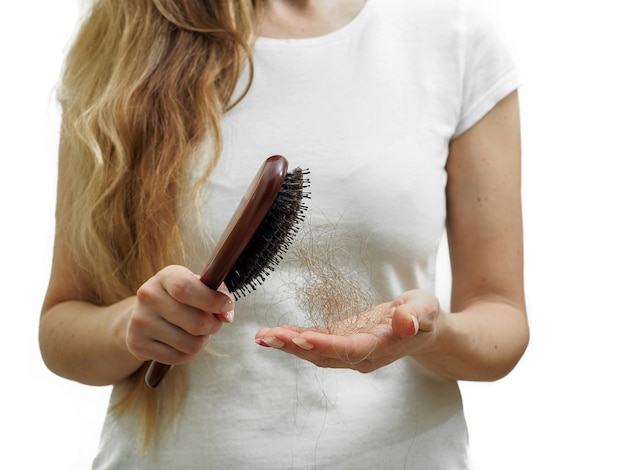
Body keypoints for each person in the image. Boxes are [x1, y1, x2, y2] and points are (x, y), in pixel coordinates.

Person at [39, 0, 529, 468]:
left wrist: (429, 333)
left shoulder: (453, 39)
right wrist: (132, 327)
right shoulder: (126, 42)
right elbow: (61, 328)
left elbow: (501, 318)